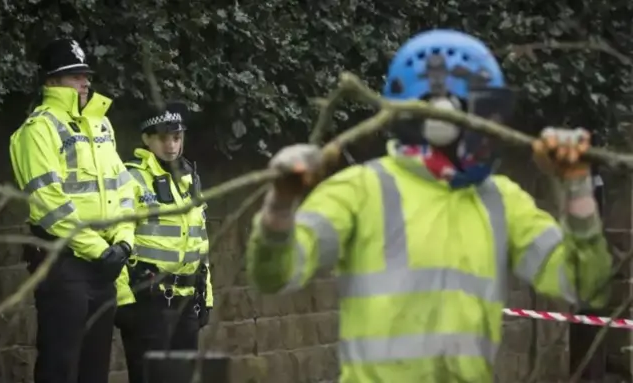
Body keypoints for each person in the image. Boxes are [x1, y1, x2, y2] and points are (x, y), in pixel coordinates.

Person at [244, 29, 613, 382]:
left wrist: (576, 184)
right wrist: (281, 203)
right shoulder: (361, 190)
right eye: (482, 114)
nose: (491, 129)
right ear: (441, 116)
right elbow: (275, 275)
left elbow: (587, 285)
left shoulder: (500, 200)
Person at [9, 38, 135, 383]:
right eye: (74, 75)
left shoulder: (101, 126)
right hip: (63, 261)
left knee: (95, 367)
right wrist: (101, 249)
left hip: (105, 264)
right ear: (51, 82)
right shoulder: (38, 129)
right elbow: (47, 201)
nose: (85, 82)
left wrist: (124, 241)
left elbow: (123, 187)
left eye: (85, 74)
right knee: (60, 364)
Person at [113, 101, 213, 383]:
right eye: (163, 138)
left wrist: (206, 296)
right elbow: (116, 238)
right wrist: (123, 300)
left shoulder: (189, 178)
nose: (171, 145)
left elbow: (199, 241)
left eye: (177, 137)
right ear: (147, 139)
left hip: (186, 303)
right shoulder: (130, 178)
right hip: (148, 302)